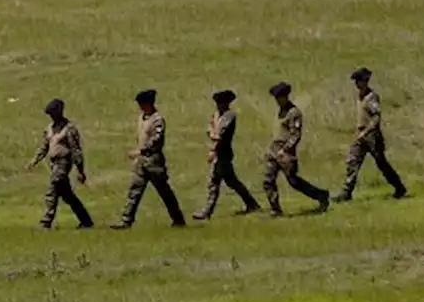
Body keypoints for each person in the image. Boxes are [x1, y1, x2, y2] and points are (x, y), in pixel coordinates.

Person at [112, 90, 187, 230]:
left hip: (154, 162)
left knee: (165, 192)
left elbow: (156, 140)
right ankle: (126, 220)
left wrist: (140, 151)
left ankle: (178, 219)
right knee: (134, 190)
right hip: (141, 162)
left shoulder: (158, 120)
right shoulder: (142, 118)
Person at [333, 69, 407, 202]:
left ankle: (399, 187)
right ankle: (346, 192)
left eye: (359, 81)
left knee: (381, 163)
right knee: (352, 161)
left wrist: (365, 132)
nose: (356, 84)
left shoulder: (371, 97)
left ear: (365, 81)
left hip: (372, 136)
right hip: (360, 135)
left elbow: (376, 118)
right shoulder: (360, 97)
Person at [262, 82, 331, 217]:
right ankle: (275, 209)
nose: (277, 101)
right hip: (274, 151)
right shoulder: (280, 112)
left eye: (279, 98)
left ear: (285, 96)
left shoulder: (294, 113)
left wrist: (286, 150)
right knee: (268, 181)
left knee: (294, 182)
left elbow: (296, 134)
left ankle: (321, 195)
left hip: (285, 153)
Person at [26, 99, 93, 230]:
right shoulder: (50, 129)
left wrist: (80, 170)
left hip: (63, 163)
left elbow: (76, 151)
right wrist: (34, 160)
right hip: (53, 164)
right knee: (67, 195)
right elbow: (44, 147)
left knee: (53, 189)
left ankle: (45, 222)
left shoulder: (69, 129)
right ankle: (85, 221)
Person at [193, 90, 261, 220]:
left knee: (216, 182)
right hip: (218, 153)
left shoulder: (230, 116)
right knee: (229, 182)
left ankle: (207, 211)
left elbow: (220, 135)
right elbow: (210, 130)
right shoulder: (216, 115)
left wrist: (213, 147)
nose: (219, 105)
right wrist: (213, 135)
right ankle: (251, 203)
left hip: (223, 154)